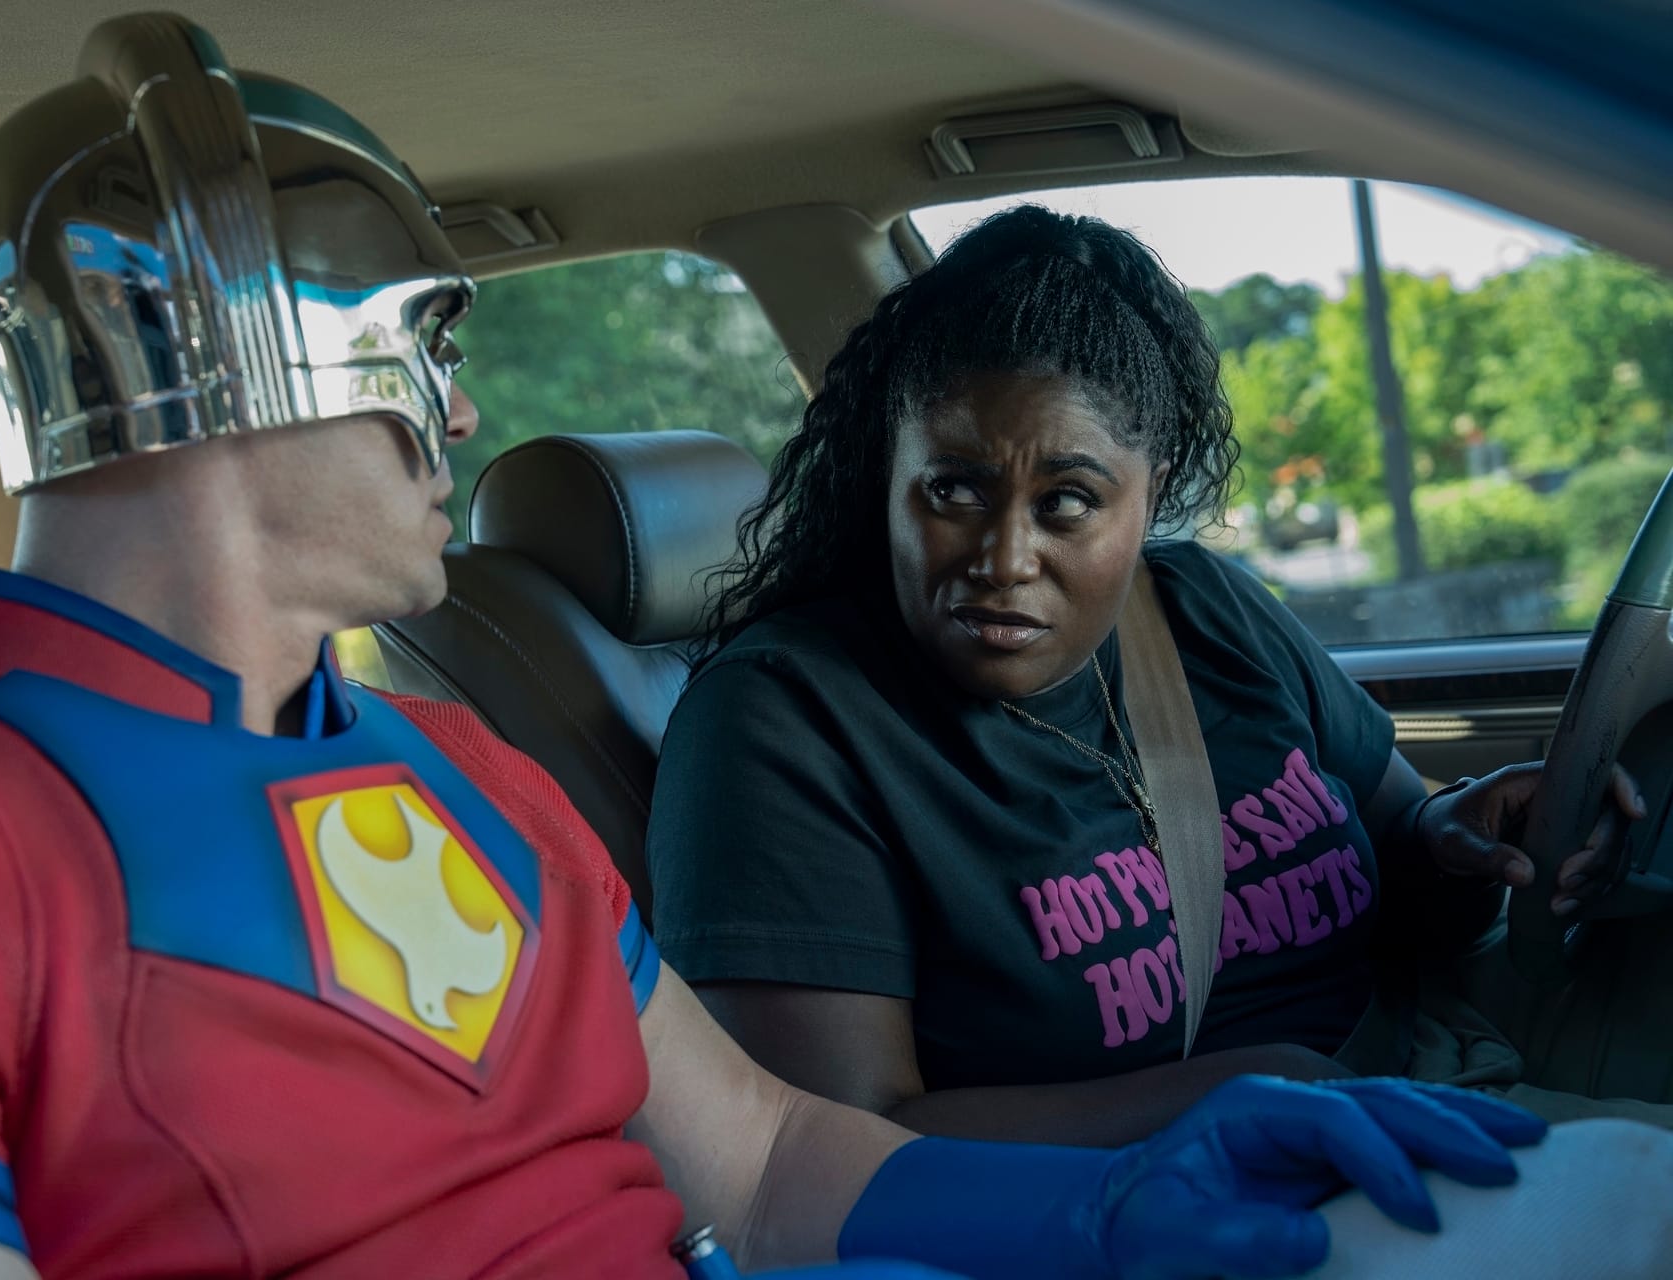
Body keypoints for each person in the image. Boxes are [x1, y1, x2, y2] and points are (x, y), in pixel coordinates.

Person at [0, 17, 1565, 1280]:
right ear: (240, 363)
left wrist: (1110, 1208)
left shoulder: (464, 774)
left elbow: (767, 1164)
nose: (464, 413)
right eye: (426, 344)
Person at [646, 204, 1664, 1147]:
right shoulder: (785, 722)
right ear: (888, 475)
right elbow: (822, 1149)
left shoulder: (1205, 609)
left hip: (1433, 1086)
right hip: (1148, 1209)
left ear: (1150, 495)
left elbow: (1401, 838)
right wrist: (1245, 1091)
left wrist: (1464, 835)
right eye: (953, 489)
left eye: (1067, 501)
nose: (1003, 557)